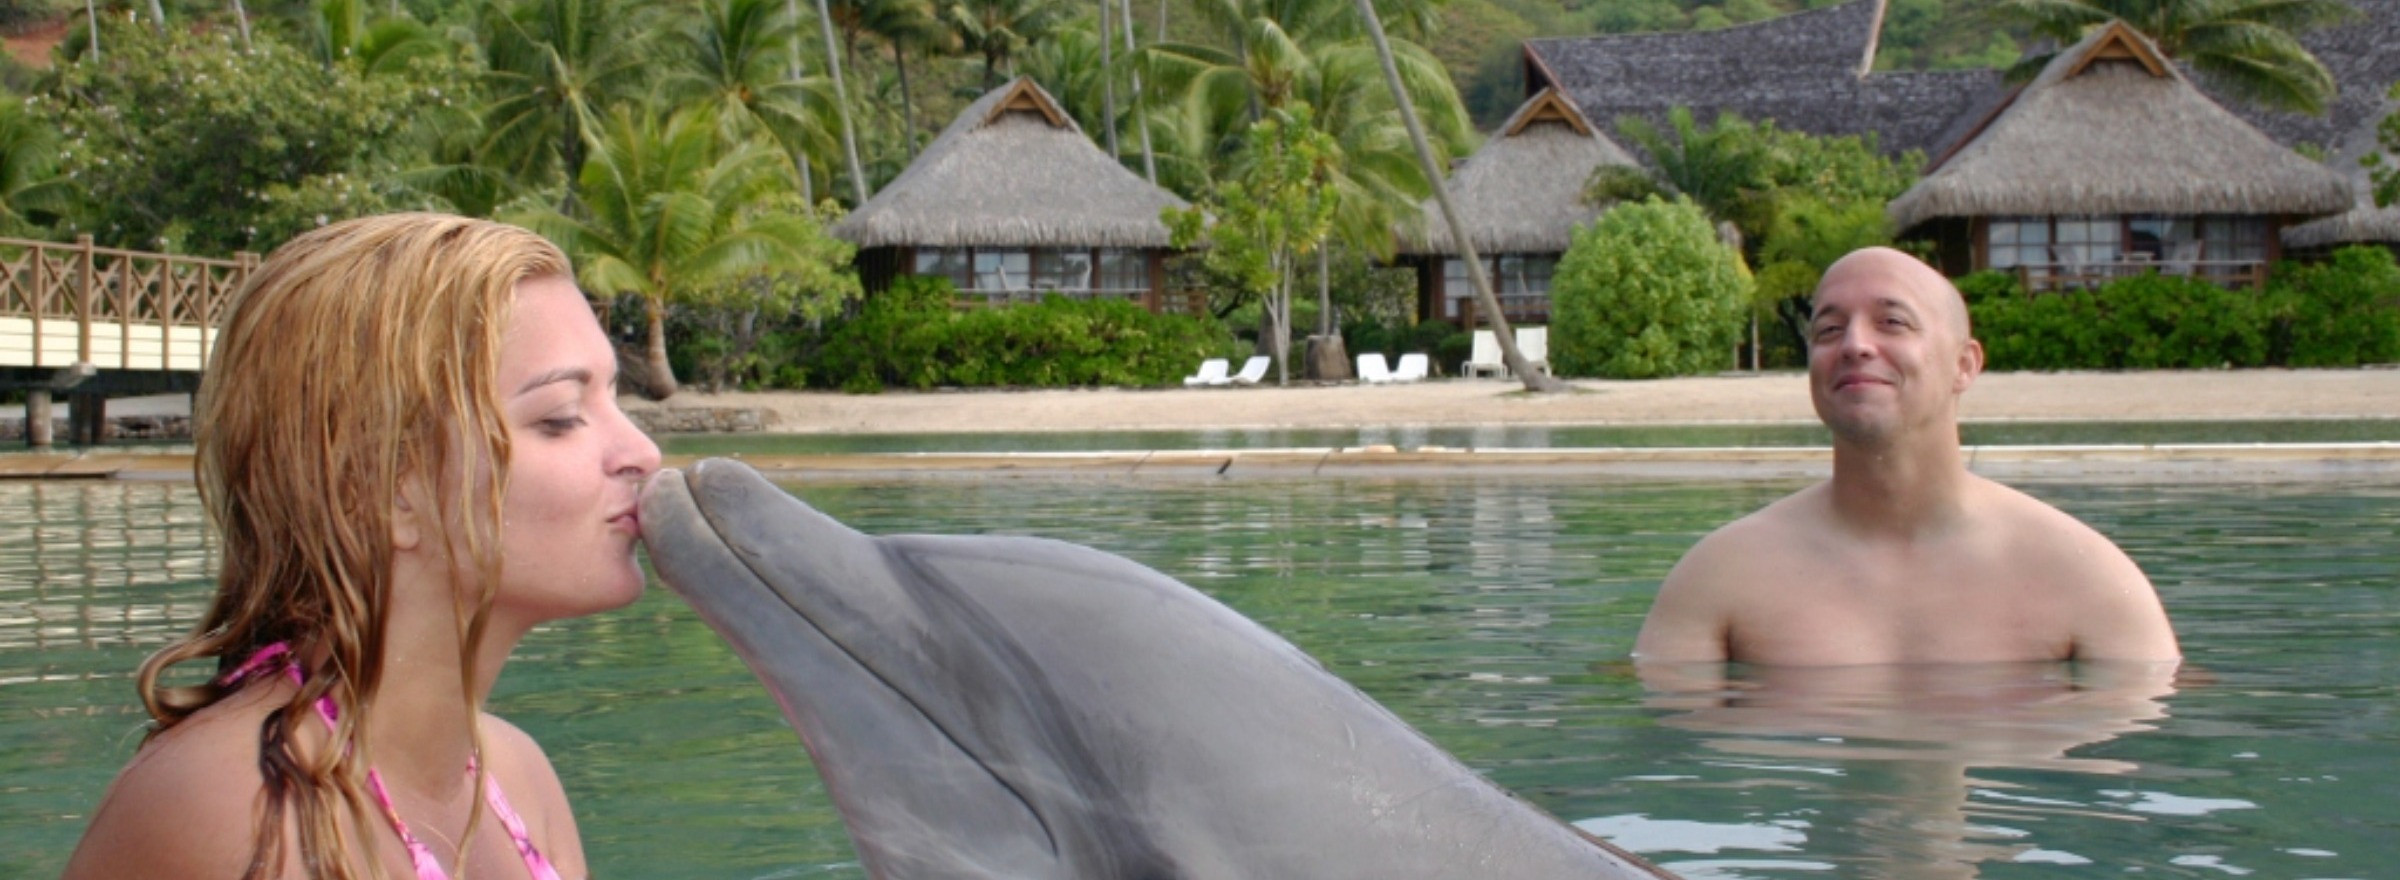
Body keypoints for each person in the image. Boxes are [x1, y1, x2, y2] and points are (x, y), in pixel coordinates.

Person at [62, 213, 661, 880]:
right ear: (376, 486)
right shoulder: (233, 810)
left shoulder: (520, 780)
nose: (642, 452)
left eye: (615, 399)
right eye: (559, 418)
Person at [1634, 247, 2179, 666]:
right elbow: (1666, 766)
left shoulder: (2090, 581)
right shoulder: (1720, 580)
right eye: (1828, 329)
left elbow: (2140, 759)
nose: (1854, 344)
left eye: (1892, 322)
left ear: (1964, 365)